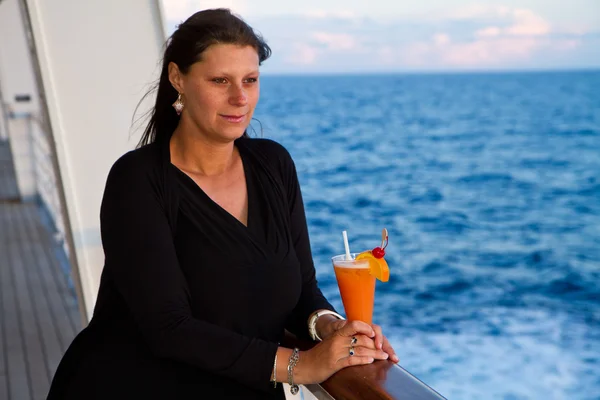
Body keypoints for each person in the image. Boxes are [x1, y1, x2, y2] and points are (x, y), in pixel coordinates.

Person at [47, 8, 398, 400]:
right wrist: (304, 365)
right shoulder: (138, 180)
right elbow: (169, 328)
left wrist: (332, 328)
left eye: (250, 80)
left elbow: (300, 289)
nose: (240, 97)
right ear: (178, 78)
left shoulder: (274, 166)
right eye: (220, 81)